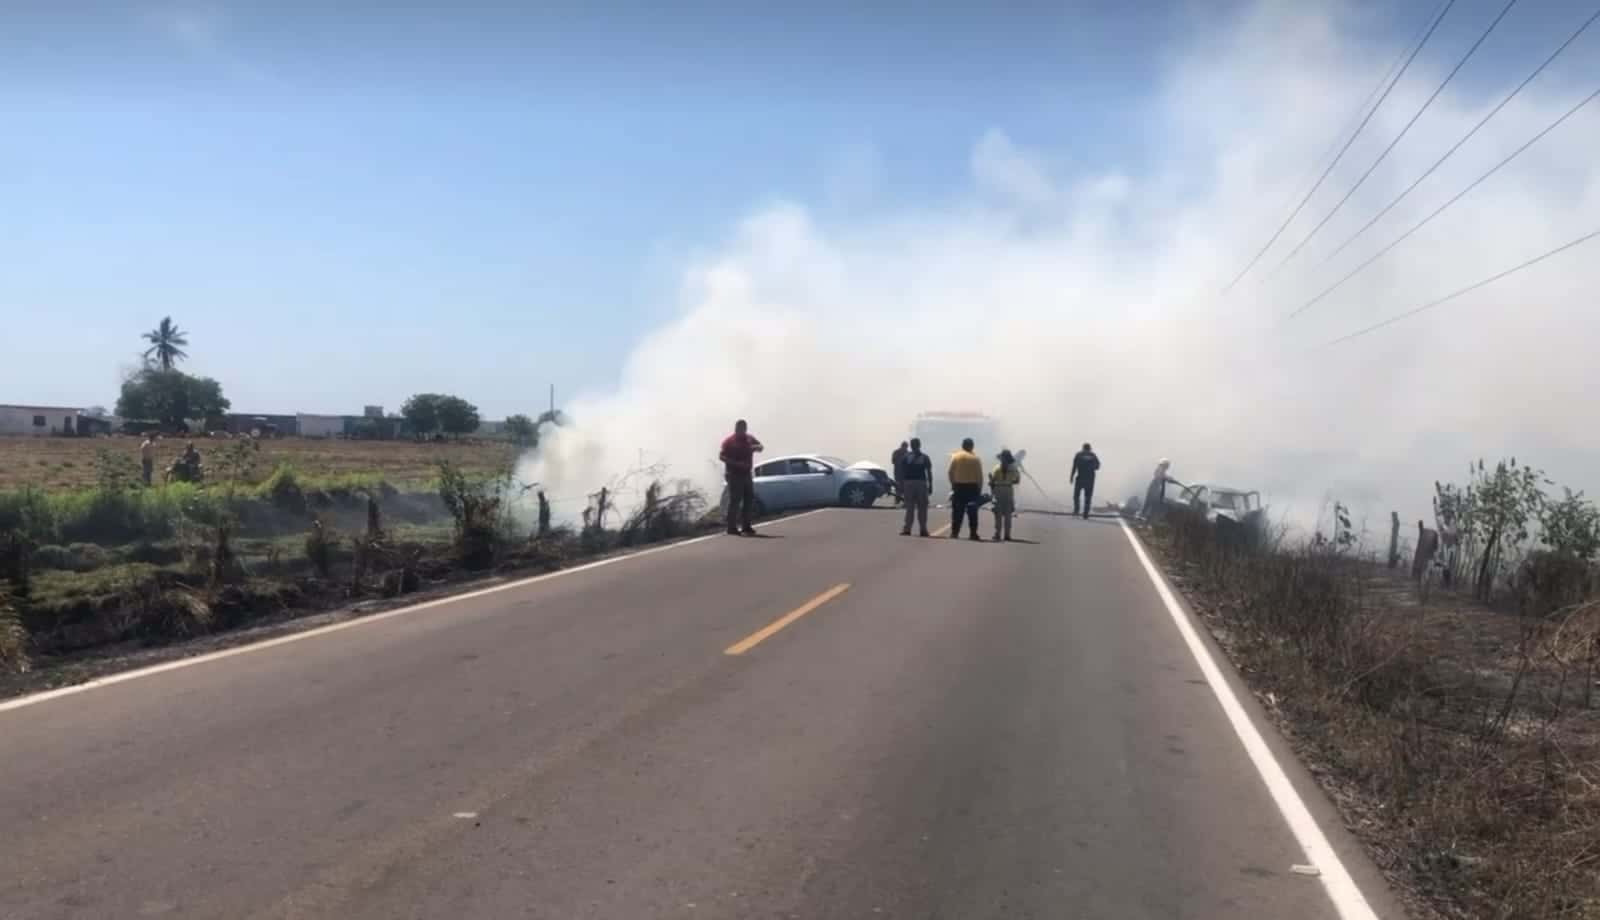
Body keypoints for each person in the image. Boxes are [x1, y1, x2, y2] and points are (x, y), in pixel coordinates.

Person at [719, 419, 765, 536]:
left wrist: (756, 447)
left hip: (747, 474)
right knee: (735, 501)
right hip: (734, 474)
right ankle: (731, 527)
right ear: (736, 428)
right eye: (739, 428)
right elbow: (721, 456)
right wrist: (736, 463)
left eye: (743, 428)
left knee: (748, 500)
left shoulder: (749, 438)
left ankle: (746, 526)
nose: (741, 430)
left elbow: (760, 446)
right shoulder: (729, 441)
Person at [948, 438, 984, 540]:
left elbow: (950, 472)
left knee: (957, 512)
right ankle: (973, 534)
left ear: (962, 445)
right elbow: (980, 477)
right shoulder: (976, 459)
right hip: (972, 488)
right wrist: (979, 490)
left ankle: (954, 533)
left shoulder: (956, 457)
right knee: (972, 512)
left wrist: (953, 485)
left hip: (959, 487)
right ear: (972, 446)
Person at [898, 438, 933, 537]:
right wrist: (930, 485)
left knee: (909, 507)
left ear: (911, 446)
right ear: (919, 445)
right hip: (921, 484)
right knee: (922, 507)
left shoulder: (906, 457)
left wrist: (901, 485)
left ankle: (907, 529)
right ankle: (923, 530)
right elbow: (929, 472)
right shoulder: (925, 457)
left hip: (908, 483)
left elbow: (901, 472)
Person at [989, 449, 1021, 541]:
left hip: (998, 490)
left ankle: (997, 534)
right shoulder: (1014, 468)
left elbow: (992, 481)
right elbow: (1017, 481)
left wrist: (992, 485)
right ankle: (1007, 535)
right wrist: (1008, 480)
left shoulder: (996, 468)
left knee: (998, 513)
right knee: (1008, 514)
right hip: (1008, 490)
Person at [1070, 442, 1100, 520]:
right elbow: (1097, 466)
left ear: (1083, 448)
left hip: (1080, 478)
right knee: (1088, 497)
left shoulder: (1079, 455)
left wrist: (1071, 477)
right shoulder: (1093, 456)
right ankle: (1085, 514)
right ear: (1089, 448)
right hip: (1090, 480)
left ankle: (1076, 510)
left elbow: (1074, 467)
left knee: (1076, 496)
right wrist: (1091, 467)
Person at [890, 441, 909, 507]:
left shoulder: (907, 453)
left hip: (904, 473)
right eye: (904, 446)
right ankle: (897, 500)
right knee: (898, 487)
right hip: (898, 473)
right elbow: (893, 461)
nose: (905, 448)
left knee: (904, 488)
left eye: (905, 447)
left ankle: (903, 501)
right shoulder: (897, 452)